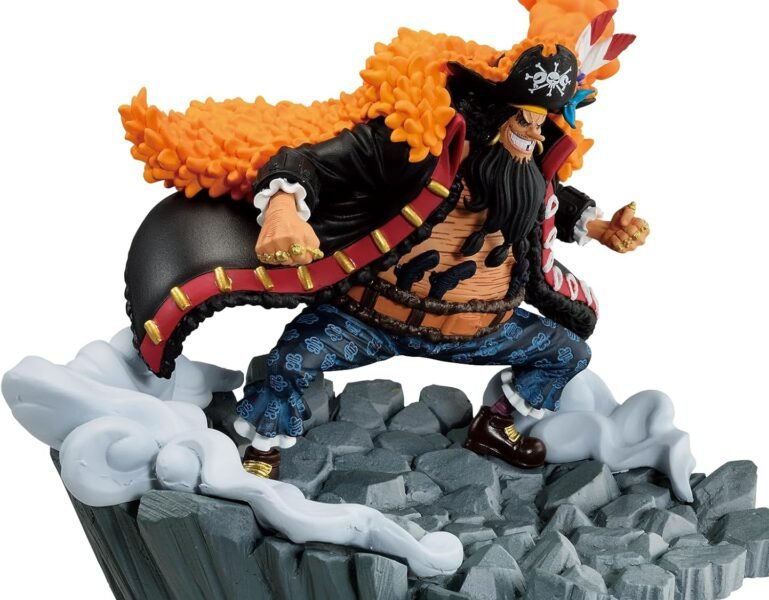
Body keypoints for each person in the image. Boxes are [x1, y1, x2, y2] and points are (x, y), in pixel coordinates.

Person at [121, 8, 647, 480]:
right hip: (370, 320)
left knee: (567, 352)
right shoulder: (410, 152)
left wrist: (600, 227)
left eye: (539, 122)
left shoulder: (524, 172)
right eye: (521, 118)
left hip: (479, 329)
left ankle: (496, 426)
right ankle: (262, 450)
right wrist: (282, 210)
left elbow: (550, 201)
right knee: (289, 361)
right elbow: (308, 160)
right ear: (489, 112)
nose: (530, 134)